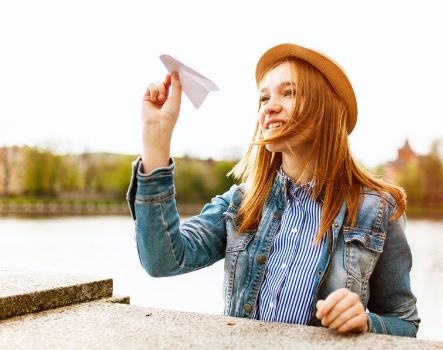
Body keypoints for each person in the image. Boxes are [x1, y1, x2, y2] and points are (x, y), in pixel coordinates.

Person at [126, 43, 420, 336]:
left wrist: (366, 322)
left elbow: (404, 322)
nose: (269, 105)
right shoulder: (241, 202)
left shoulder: (379, 208)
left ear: (326, 108)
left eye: (289, 92)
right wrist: (156, 136)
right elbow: (162, 260)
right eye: (264, 98)